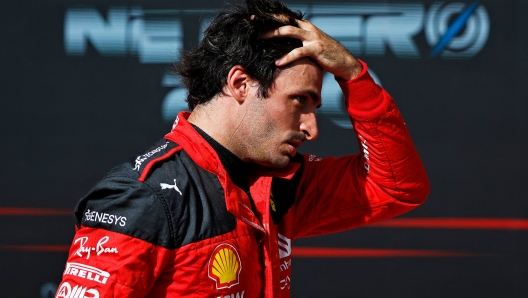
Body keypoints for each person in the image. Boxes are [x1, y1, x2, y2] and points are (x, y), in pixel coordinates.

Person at [55, 0, 429, 297]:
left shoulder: (280, 182)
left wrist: (353, 75)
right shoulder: (145, 197)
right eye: (300, 100)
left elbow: (396, 187)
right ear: (240, 83)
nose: (311, 129)